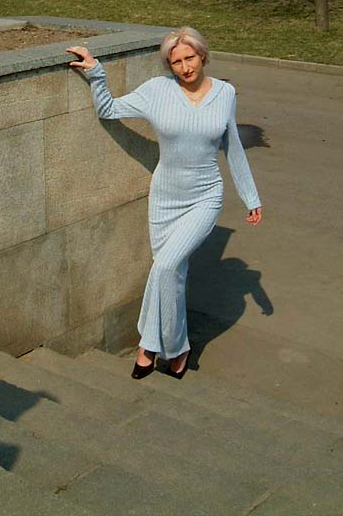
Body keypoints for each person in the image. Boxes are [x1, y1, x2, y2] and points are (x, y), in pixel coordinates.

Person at [67, 28, 262, 381]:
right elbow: (109, 109)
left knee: (165, 267)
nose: (185, 67)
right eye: (177, 62)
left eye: (190, 58)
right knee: (172, 275)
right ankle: (176, 349)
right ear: (169, 66)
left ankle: (153, 347)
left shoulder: (225, 93)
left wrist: (251, 196)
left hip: (205, 197)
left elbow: (232, 146)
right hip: (165, 200)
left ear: (203, 55)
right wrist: (96, 72)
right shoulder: (157, 91)